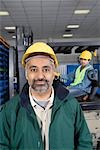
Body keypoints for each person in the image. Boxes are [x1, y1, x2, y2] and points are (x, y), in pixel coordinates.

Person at [0, 42, 92, 149]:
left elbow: (84, 143)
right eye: (33, 69)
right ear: (26, 74)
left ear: (54, 73)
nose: (40, 76)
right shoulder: (10, 110)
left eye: (46, 69)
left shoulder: (71, 106)